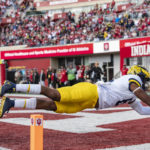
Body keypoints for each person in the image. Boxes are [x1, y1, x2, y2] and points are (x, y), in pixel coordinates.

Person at [1, 65, 150, 118]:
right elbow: (140, 94)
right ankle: (12, 86)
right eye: (145, 79)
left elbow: (143, 110)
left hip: (91, 103)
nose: (145, 83)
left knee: (52, 106)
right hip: (91, 92)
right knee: (55, 94)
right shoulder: (132, 79)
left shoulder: (131, 95)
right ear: (139, 74)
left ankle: (11, 102)